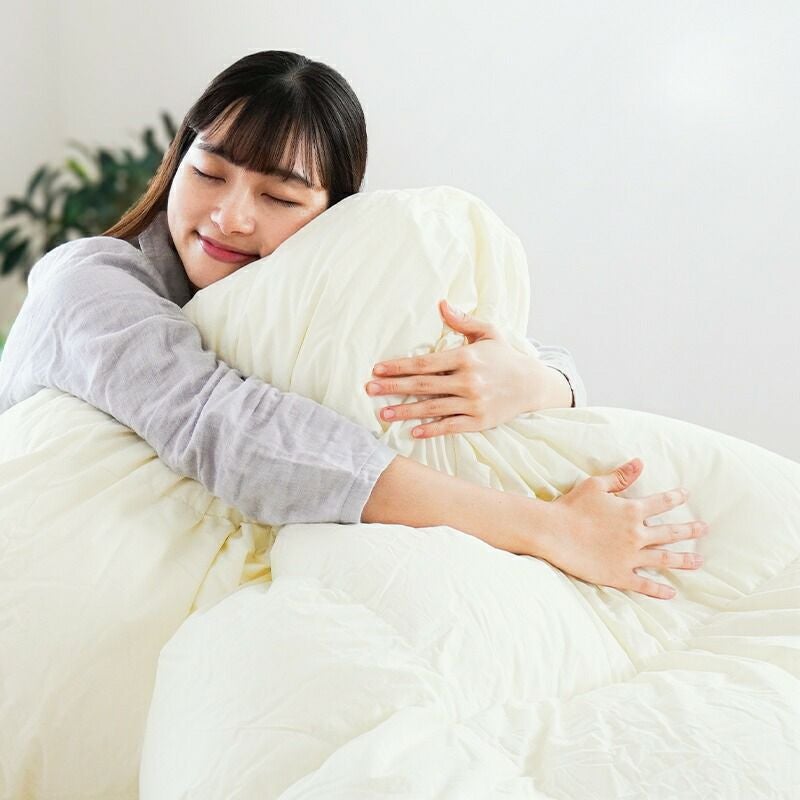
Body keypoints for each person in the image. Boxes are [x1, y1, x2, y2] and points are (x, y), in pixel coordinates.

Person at [0, 50, 706, 601]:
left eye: (279, 196)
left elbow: (524, 355)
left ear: (333, 218)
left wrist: (537, 382)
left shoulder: (298, 300)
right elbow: (225, 425)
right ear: (178, 161)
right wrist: (549, 529)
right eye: (209, 173)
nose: (230, 217)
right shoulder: (87, 282)